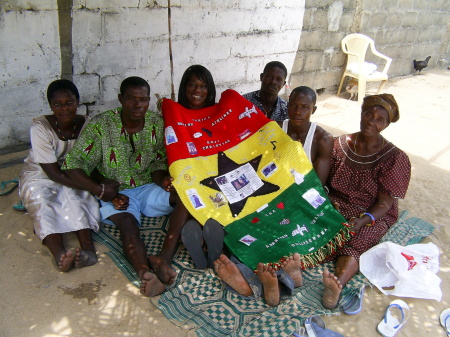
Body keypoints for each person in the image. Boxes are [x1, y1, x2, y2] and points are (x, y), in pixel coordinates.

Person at [63, 76, 184, 296]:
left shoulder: (157, 123)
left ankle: (162, 259)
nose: (138, 105)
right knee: (128, 225)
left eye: (143, 99)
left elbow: (158, 162)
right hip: (115, 191)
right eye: (131, 99)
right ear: (120, 99)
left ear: (149, 101)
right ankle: (145, 273)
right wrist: (102, 190)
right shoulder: (102, 125)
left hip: (148, 186)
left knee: (185, 197)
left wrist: (163, 181)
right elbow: (73, 164)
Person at [321, 94, 411, 309]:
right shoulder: (340, 144)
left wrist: (363, 220)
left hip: (372, 211)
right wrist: (327, 203)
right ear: (361, 114)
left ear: (387, 125)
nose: (372, 121)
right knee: (311, 227)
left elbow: (385, 203)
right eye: (369, 114)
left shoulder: (393, 157)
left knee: (358, 239)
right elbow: (324, 184)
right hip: (338, 203)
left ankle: (337, 284)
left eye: (380, 119)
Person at [19, 79, 100, 272]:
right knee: (43, 203)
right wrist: (94, 186)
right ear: (50, 105)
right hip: (41, 173)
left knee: (79, 199)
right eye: (58, 104)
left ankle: (88, 251)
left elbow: (90, 158)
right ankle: (59, 254)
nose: (65, 109)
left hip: (74, 171)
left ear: (78, 101)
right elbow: (53, 173)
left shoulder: (87, 124)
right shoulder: (40, 128)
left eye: (69, 102)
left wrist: (89, 186)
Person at [163, 65, 224, 270]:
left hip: (213, 171)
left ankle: (200, 234)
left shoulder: (217, 113)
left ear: (210, 90)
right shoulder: (174, 114)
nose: (197, 91)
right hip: (186, 174)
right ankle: (205, 235)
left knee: (216, 191)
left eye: (203, 86)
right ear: (184, 87)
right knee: (188, 192)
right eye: (192, 85)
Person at [278, 86, 333, 185]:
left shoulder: (322, 139)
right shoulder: (277, 129)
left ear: (313, 110)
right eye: (293, 105)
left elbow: (318, 185)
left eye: (305, 107)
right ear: (287, 105)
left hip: (303, 191)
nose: (298, 112)